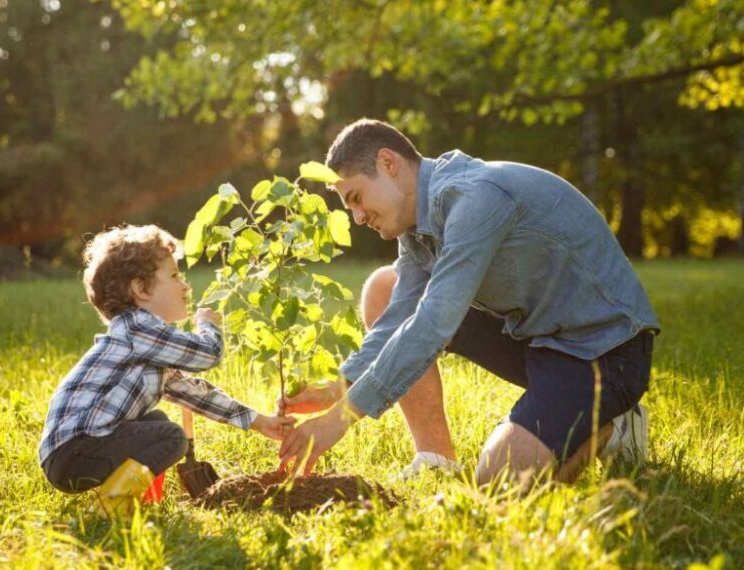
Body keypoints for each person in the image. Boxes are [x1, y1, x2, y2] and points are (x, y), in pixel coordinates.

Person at [278, 119, 659, 485]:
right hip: (539, 339)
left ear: (388, 163)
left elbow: (433, 322)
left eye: (356, 198)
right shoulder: (415, 227)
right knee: (386, 288)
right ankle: (436, 460)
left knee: (498, 482)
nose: (358, 217)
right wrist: (338, 387)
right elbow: (398, 316)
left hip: (604, 352)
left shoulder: (474, 197)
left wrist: (339, 419)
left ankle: (614, 429)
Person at [39, 225, 293, 515]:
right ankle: (109, 510)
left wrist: (259, 421)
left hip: (71, 453)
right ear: (141, 289)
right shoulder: (137, 327)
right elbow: (207, 354)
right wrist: (207, 325)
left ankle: (141, 502)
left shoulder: (146, 344)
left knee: (155, 420)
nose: (185, 286)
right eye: (174, 276)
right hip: (75, 450)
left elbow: (196, 394)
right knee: (171, 437)